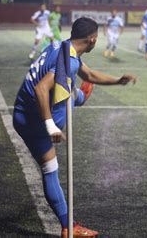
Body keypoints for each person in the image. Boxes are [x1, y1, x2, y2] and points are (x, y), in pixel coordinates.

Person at [13, 17, 137, 238]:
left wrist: (118, 80)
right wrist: (51, 127)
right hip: (34, 119)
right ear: (92, 40)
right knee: (50, 170)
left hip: (24, 109)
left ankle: (79, 96)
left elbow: (88, 75)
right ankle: (69, 227)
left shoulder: (63, 46)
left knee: (67, 88)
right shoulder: (69, 63)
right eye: (97, 39)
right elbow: (42, 89)